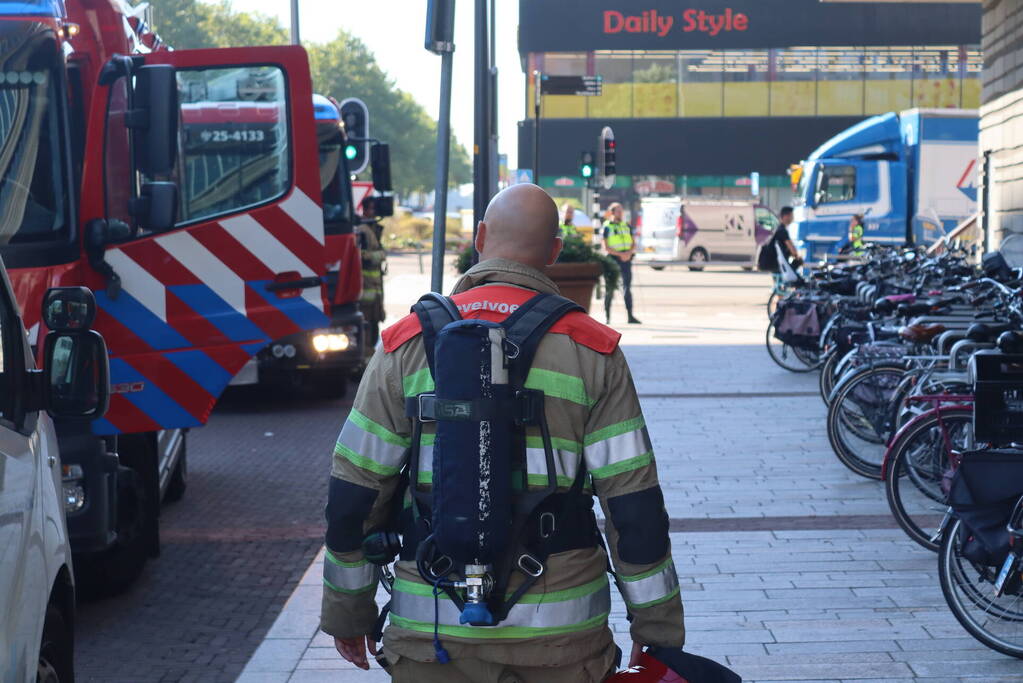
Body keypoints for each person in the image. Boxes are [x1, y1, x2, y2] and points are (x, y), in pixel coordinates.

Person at [321, 184, 684, 682]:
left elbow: (355, 491)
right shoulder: (593, 350)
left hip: (431, 632)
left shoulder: (404, 344)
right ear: (555, 251)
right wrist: (656, 625)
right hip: (563, 638)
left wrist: (348, 611)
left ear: (479, 238)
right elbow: (634, 504)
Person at [602, 202, 641, 325]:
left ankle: (630, 316)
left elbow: (633, 243)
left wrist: (629, 253)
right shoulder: (607, 227)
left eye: (621, 211)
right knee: (610, 288)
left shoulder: (627, 226)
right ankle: (607, 317)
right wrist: (620, 255)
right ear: (612, 213)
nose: (621, 213)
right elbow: (606, 247)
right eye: (618, 211)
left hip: (626, 260)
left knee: (627, 288)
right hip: (612, 259)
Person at [757, 206, 802, 274]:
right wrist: (798, 258)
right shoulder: (782, 231)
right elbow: (792, 249)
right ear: (786, 216)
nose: (793, 218)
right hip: (774, 263)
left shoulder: (778, 228)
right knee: (796, 267)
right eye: (792, 216)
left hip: (767, 262)